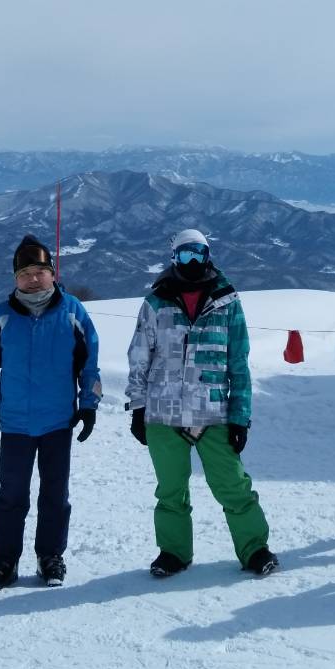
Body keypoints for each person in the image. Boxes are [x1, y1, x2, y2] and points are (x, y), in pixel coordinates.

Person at [126, 228, 278, 578]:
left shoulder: (227, 302)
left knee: (233, 485)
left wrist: (240, 417)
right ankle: (174, 552)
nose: (191, 261)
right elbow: (138, 358)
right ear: (173, 258)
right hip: (163, 414)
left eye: (198, 254)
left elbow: (238, 363)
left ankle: (255, 548)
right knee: (170, 490)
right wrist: (137, 408)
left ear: (208, 255)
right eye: (184, 255)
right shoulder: (155, 303)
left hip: (213, 413)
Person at [0, 234, 101, 591]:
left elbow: (90, 364)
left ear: (53, 274)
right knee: (11, 495)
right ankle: (4, 562)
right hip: (16, 424)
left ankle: (49, 557)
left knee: (55, 495)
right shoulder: (1, 317)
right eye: (25, 272)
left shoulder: (72, 311)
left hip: (58, 421)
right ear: (15, 278)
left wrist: (89, 406)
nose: (33, 278)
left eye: (40, 271)